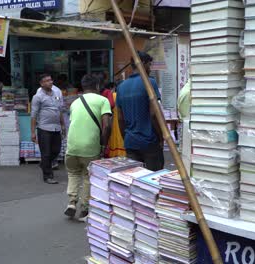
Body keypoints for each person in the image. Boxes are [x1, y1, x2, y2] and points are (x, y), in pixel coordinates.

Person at [64, 74, 112, 221]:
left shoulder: (74, 103)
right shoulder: (103, 100)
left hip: (71, 145)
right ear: (97, 86)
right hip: (89, 147)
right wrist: (104, 144)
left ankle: (72, 203)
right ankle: (84, 210)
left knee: (73, 173)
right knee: (86, 176)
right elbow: (107, 125)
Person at [116, 51, 164, 171]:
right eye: (149, 64)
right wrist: (161, 137)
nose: (150, 68)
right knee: (154, 179)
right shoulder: (149, 82)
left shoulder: (121, 87)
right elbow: (154, 114)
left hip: (130, 142)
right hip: (149, 141)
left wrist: (126, 137)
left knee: (135, 181)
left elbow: (120, 118)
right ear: (142, 63)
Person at [31, 73, 65, 184]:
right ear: (41, 84)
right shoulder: (38, 97)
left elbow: (59, 110)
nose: (50, 82)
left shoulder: (56, 93)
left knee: (56, 150)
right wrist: (33, 132)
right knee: (46, 153)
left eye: (50, 80)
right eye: (46, 81)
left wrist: (63, 125)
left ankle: (44, 164)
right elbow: (33, 115)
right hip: (44, 128)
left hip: (56, 128)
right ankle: (48, 176)